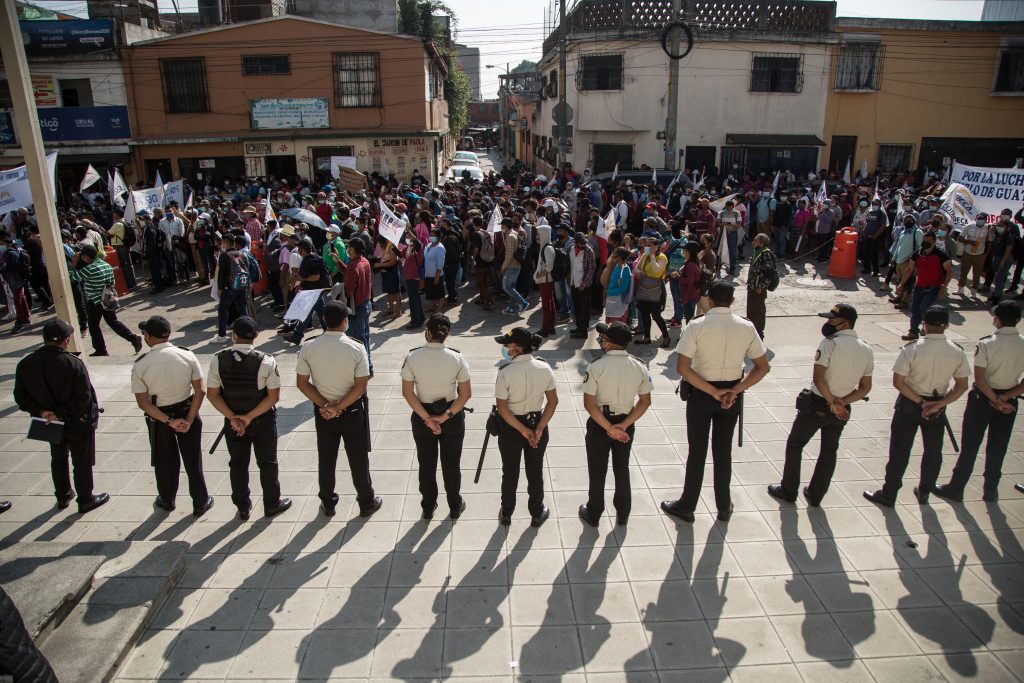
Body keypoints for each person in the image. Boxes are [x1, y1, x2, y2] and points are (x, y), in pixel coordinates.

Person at [661, 280, 770, 523]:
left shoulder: (697, 326)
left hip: (701, 393)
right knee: (723, 452)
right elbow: (762, 367)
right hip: (731, 395)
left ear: (709, 299)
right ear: (732, 301)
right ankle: (723, 505)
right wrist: (735, 390)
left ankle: (687, 505)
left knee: (697, 452)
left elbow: (683, 367)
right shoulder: (746, 326)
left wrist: (711, 391)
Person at [768, 304, 873, 507]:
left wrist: (832, 402)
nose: (828, 324)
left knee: (795, 445)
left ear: (845, 323)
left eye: (833, 320)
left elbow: (819, 379)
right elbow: (865, 387)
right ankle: (816, 495)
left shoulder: (829, 344)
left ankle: (789, 490)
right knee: (829, 450)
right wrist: (843, 403)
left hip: (818, 404)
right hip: (842, 409)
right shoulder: (866, 349)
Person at [864, 305, 970, 506]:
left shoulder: (912, 349)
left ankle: (889, 494)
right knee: (933, 451)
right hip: (937, 406)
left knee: (899, 452)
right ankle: (925, 491)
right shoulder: (956, 351)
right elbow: (962, 385)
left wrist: (921, 402)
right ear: (947, 326)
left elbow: (899, 382)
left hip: (910, 404)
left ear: (924, 324)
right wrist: (939, 404)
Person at [296, 301, 381, 518]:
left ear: (324, 320)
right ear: (345, 322)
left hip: (323, 413)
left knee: (326, 460)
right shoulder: (356, 347)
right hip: (351, 412)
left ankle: (328, 503)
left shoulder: (309, 346)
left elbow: (303, 383)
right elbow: (361, 385)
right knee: (358, 459)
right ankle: (366, 501)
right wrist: (340, 407)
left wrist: (326, 406)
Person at [14, 319, 109, 513]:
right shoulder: (73, 363)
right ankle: (85, 498)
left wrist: (44, 413)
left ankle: (63, 495)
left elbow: (21, 397)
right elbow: (83, 397)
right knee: (81, 461)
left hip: (48, 423)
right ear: (66, 340)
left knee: (57, 457)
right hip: (77, 422)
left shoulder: (26, 364)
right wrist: (60, 413)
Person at [936, 300, 1024, 503]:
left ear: (997, 320)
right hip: (1009, 400)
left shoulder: (987, 343)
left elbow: (981, 379)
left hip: (983, 399)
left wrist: (995, 399)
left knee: (970, 445)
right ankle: (991, 490)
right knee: (998, 447)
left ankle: (957, 487)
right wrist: (1005, 398)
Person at [205, 317, 292, 521]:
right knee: (268, 463)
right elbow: (273, 397)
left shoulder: (218, 359)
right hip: (261, 420)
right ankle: (271, 504)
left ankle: (242, 506)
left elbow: (212, 394)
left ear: (234, 335)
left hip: (234, 422)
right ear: (256, 336)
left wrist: (233, 418)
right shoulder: (266, 360)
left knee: (238, 463)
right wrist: (249, 417)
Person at [131, 315, 214, 516]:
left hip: (159, 418)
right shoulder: (187, 355)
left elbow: (143, 402)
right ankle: (200, 501)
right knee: (193, 460)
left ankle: (167, 500)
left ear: (149, 336)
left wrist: (169, 421)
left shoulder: (142, 364)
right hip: (187, 411)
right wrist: (189, 419)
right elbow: (200, 390)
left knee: (164, 462)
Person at [578, 321, 653, 527]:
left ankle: (594, 512)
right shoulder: (639, 366)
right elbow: (645, 402)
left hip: (600, 423)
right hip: (625, 423)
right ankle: (623, 512)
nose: (601, 340)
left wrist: (608, 427)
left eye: (604, 338)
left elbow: (589, 404)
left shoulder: (596, 367)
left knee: (597, 469)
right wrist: (623, 425)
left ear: (609, 344)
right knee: (622, 468)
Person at [401, 314, 472, 520]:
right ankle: (455, 505)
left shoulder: (413, 356)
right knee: (451, 464)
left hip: (422, 415)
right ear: (447, 334)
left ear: (427, 333)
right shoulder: (457, 357)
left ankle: (428, 506)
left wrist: (427, 418)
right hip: (450, 415)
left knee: (426, 463)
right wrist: (445, 416)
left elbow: (408, 393)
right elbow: (466, 394)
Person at [494, 327, 557, 526]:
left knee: (510, 472)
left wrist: (523, 430)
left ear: (517, 348)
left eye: (508, 345)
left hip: (511, 427)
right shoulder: (544, 368)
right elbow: (553, 402)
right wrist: (537, 429)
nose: (506, 348)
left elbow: (502, 408)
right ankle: (537, 512)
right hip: (537, 422)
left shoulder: (505, 372)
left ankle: (507, 512)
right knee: (535, 471)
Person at [71, 243, 143, 357]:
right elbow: (112, 283)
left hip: (94, 301)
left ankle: (101, 349)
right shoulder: (106, 265)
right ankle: (132, 338)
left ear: (86, 257)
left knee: (93, 326)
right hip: (109, 297)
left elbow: (73, 278)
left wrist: (74, 263)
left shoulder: (88, 269)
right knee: (113, 321)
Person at [897, 230, 952, 341]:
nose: (925, 243)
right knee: (914, 308)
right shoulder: (917, 253)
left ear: (934, 241)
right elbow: (909, 269)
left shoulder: (941, 255)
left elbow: (949, 271)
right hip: (919, 286)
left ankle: (926, 328)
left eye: (928, 241)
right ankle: (913, 332)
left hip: (933, 287)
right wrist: (901, 284)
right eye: (924, 240)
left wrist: (944, 287)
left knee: (924, 307)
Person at [340, 238, 374, 374]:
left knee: (357, 341)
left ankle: (364, 369)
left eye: (349, 247)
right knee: (364, 338)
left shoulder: (354, 266)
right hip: (366, 304)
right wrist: (338, 262)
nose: (347, 249)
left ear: (353, 248)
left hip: (357, 308)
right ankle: (368, 366)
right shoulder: (364, 262)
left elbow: (349, 290)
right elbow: (349, 272)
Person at [634, 235, 671, 347]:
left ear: (656, 246)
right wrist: (641, 273)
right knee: (644, 313)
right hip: (644, 288)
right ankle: (647, 337)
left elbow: (656, 269)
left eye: (650, 246)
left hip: (656, 289)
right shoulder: (644, 256)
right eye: (646, 245)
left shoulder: (662, 257)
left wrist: (652, 255)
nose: (647, 247)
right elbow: (636, 268)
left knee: (656, 315)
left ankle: (666, 336)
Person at [745, 233, 776, 340]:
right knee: (751, 311)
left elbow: (769, 273)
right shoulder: (756, 252)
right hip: (752, 287)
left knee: (758, 312)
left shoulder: (766, 254)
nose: (753, 242)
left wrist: (761, 287)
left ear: (761, 243)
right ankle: (751, 332)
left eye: (755, 240)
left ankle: (758, 335)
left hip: (758, 289)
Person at [0, 232, 31, 333]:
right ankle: (26, 318)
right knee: (21, 299)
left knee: (18, 301)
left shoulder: (10, 253)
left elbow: (11, 269)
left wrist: (3, 270)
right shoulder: (15, 249)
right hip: (18, 280)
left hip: (16, 281)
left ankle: (20, 321)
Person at [568, 231, 596, 339]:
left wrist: (584, 284)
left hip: (583, 285)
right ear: (575, 242)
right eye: (580, 243)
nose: (583, 245)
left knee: (584, 308)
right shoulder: (571, 249)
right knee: (577, 307)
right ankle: (578, 327)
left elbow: (591, 269)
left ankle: (583, 331)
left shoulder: (589, 251)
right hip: (573, 283)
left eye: (584, 242)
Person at [499, 219, 529, 316]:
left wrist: (503, 267)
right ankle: (511, 308)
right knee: (512, 287)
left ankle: (523, 302)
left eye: (502, 225)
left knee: (507, 287)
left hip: (512, 266)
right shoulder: (513, 234)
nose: (501, 227)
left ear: (505, 226)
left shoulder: (511, 237)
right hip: (515, 266)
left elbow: (509, 255)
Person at [957, 213, 990, 296]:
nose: (980, 220)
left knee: (977, 274)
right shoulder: (969, 226)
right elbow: (960, 238)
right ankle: (960, 289)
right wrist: (969, 241)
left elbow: (990, 241)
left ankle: (973, 291)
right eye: (978, 219)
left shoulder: (988, 228)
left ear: (985, 220)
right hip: (967, 252)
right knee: (963, 272)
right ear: (976, 219)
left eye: (982, 219)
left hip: (979, 254)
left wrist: (986, 255)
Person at [533, 224, 557, 336]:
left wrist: (539, 276)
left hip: (545, 281)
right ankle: (550, 327)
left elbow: (549, 267)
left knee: (546, 306)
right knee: (550, 304)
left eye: (538, 233)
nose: (536, 236)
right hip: (545, 281)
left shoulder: (547, 248)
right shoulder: (545, 246)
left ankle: (545, 329)